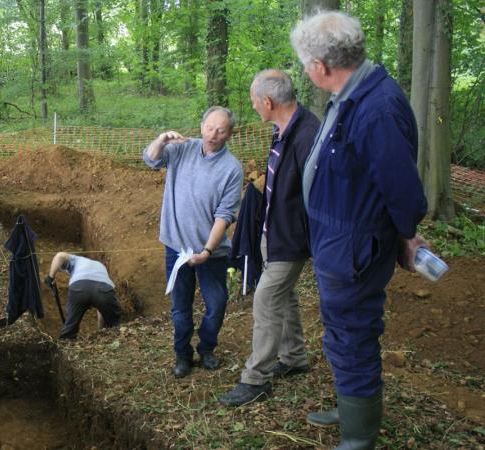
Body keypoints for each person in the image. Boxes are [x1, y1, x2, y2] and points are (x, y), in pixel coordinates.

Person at [290, 11, 427, 449]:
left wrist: (407, 235)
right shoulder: (353, 94)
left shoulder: (376, 108)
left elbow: (403, 188)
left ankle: (358, 437)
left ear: (322, 67)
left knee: (352, 334)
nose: (306, 70)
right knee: (341, 331)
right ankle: (351, 406)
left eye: (306, 62)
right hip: (338, 241)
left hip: (354, 246)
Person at [219, 70, 320, 406]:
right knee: (284, 296)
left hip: (292, 238)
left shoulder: (308, 135)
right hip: (273, 232)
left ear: (268, 101)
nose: (253, 107)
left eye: (253, 101)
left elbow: (318, 195)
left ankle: (256, 379)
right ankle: (294, 358)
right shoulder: (284, 130)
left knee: (265, 299)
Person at [143, 107, 243, 377]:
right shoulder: (181, 149)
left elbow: (225, 215)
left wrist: (207, 250)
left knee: (217, 302)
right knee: (180, 306)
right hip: (176, 246)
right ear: (201, 127)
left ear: (229, 134)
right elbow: (150, 160)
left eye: (221, 130)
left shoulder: (232, 169)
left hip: (212, 252)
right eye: (210, 127)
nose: (214, 134)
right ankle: (182, 354)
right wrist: (162, 139)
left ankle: (207, 347)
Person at [43, 252, 121, 340]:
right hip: (103, 289)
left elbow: (60, 256)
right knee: (114, 326)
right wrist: (100, 332)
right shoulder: (100, 267)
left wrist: (50, 277)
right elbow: (101, 312)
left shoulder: (76, 259)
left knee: (70, 327)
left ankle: (66, 343)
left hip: (79, 286)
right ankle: (116, 342)